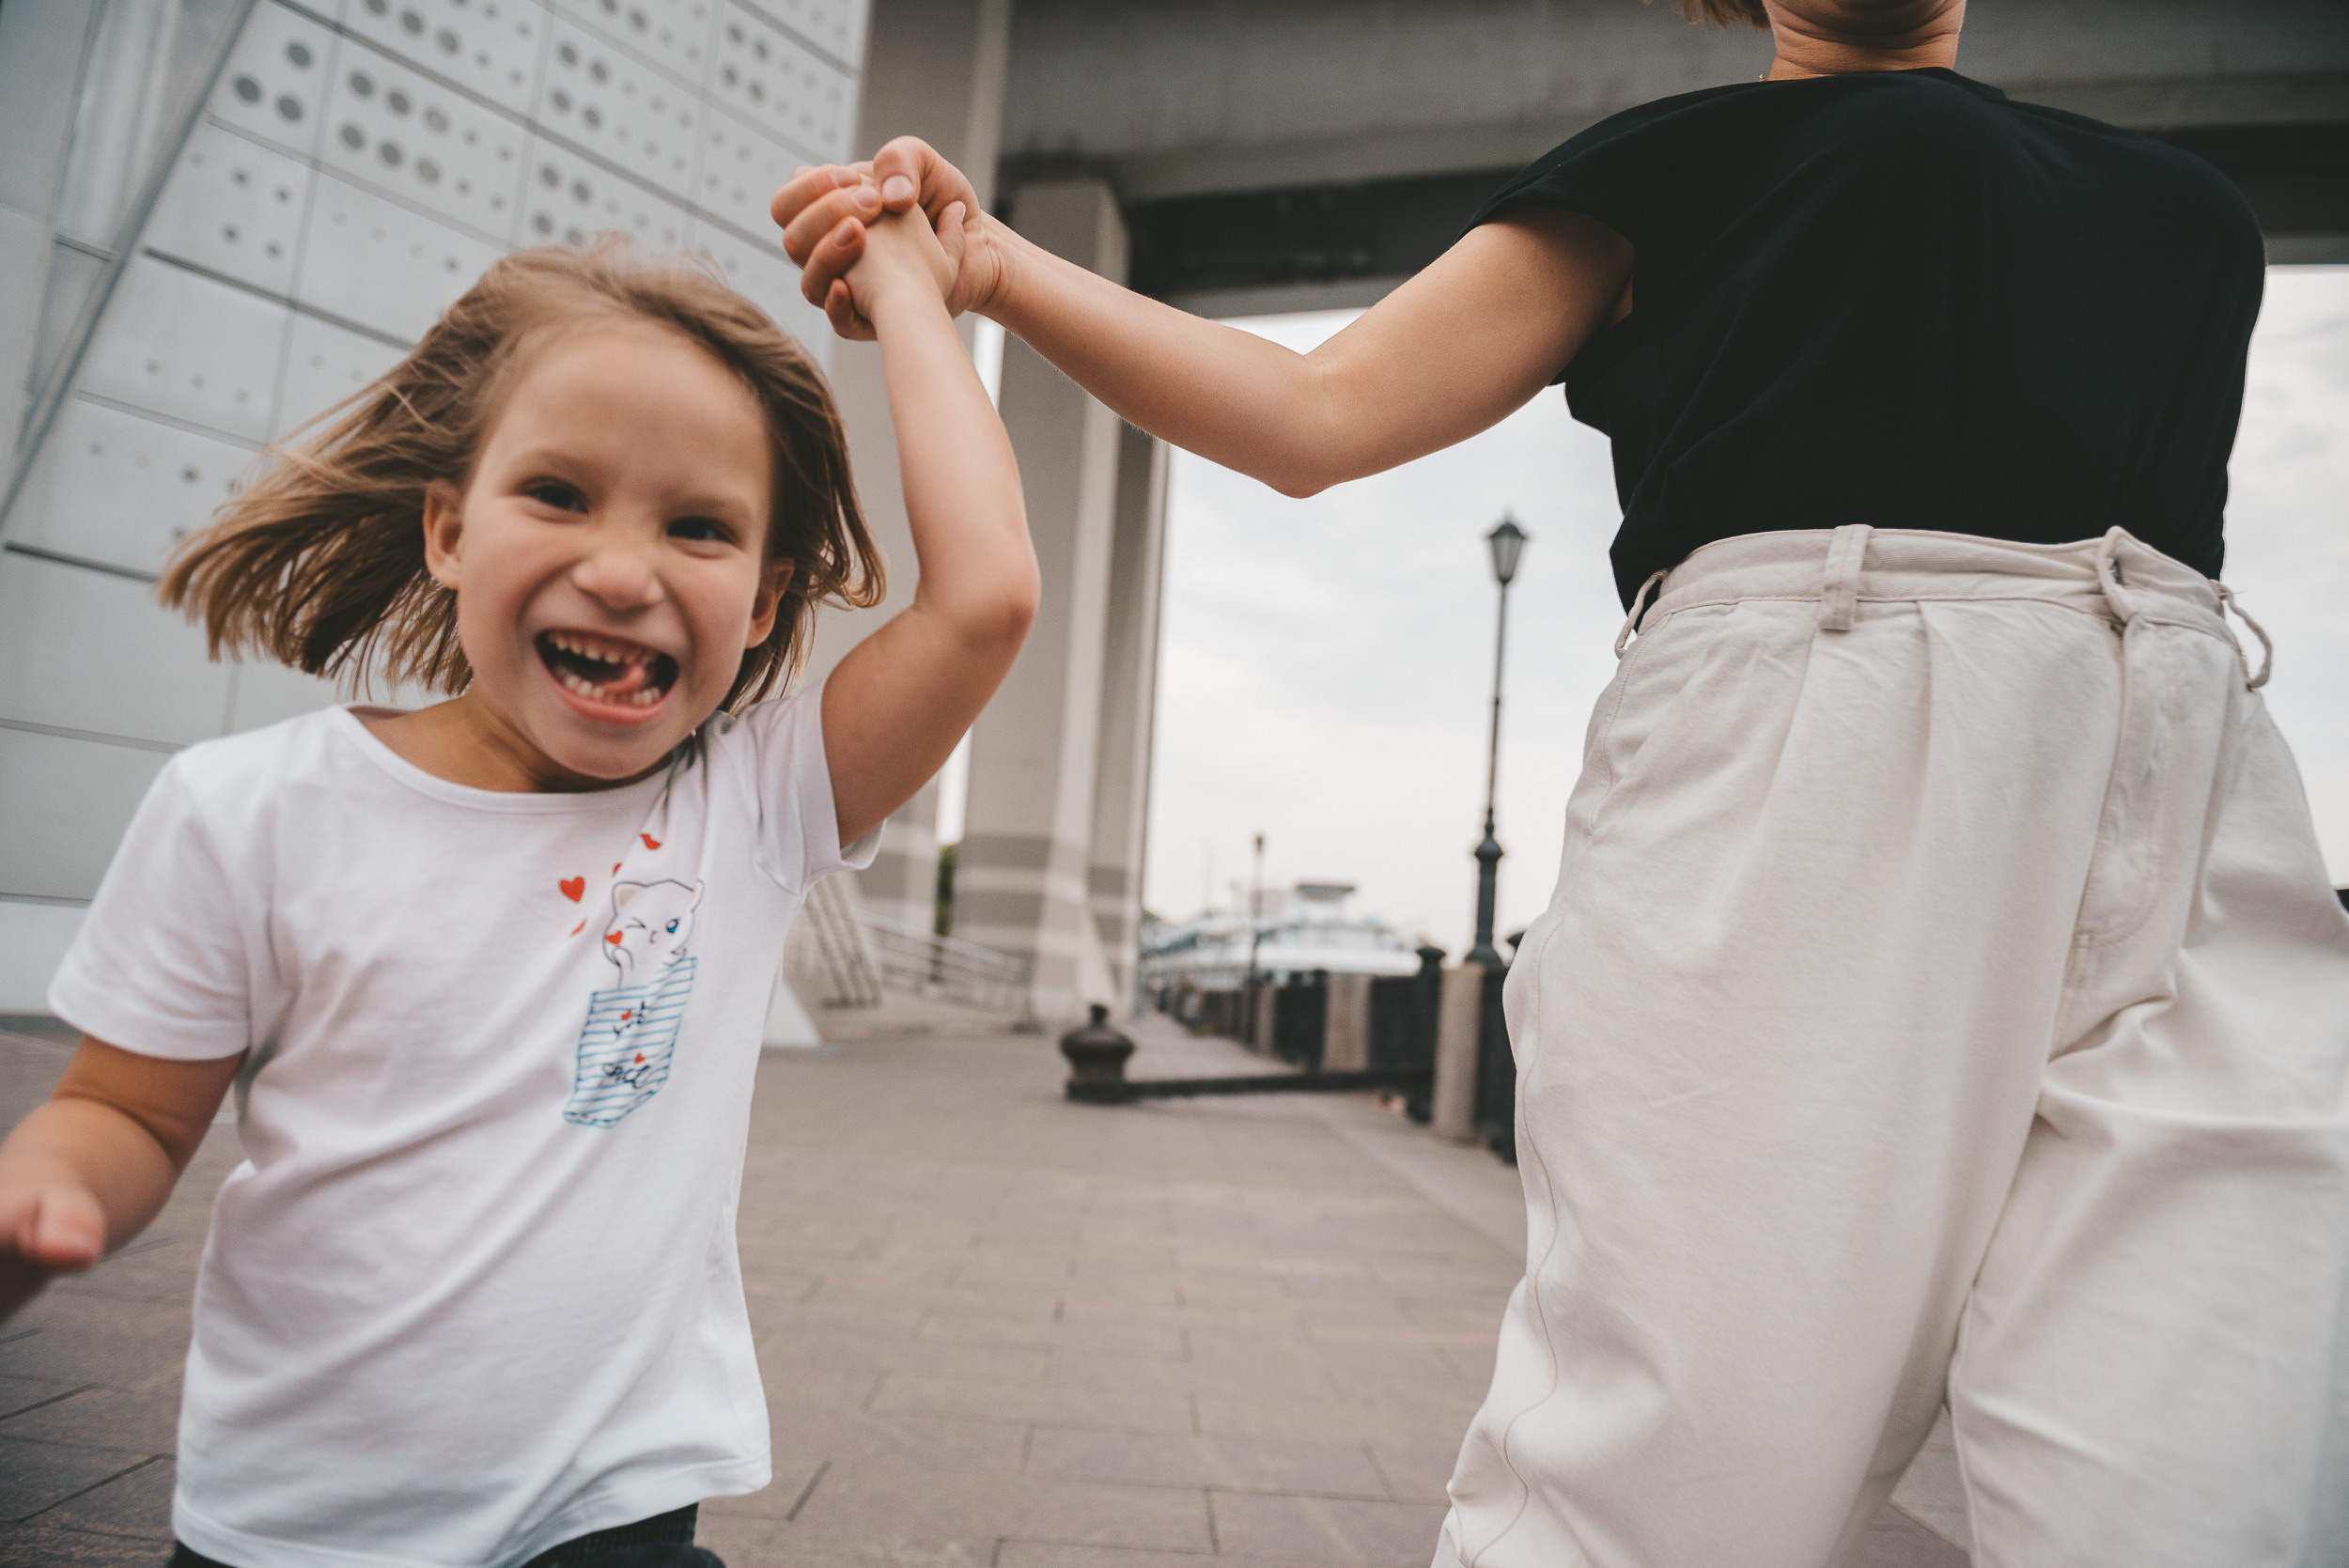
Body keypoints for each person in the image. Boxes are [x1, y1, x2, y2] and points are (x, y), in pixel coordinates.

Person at [771, 0, 2349, 1563]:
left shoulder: (2181, 205)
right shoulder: (1663, 167)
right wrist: (983, 269)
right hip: (1812, 752)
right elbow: (1314, 416)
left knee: (2202, 1481)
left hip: (2194, 767)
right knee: (1673, 1484)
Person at [0, 189, 1034, 1566]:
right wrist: (44, 1197)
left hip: (608, 1514)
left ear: (773, 596)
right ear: (447, 528)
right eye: (557, 494)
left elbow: (984, 598)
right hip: (295, 1525)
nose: (622, 570)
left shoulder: (755, 804)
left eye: (701, 529)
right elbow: (122, 1109)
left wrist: (910, 293)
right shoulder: (249, 813)